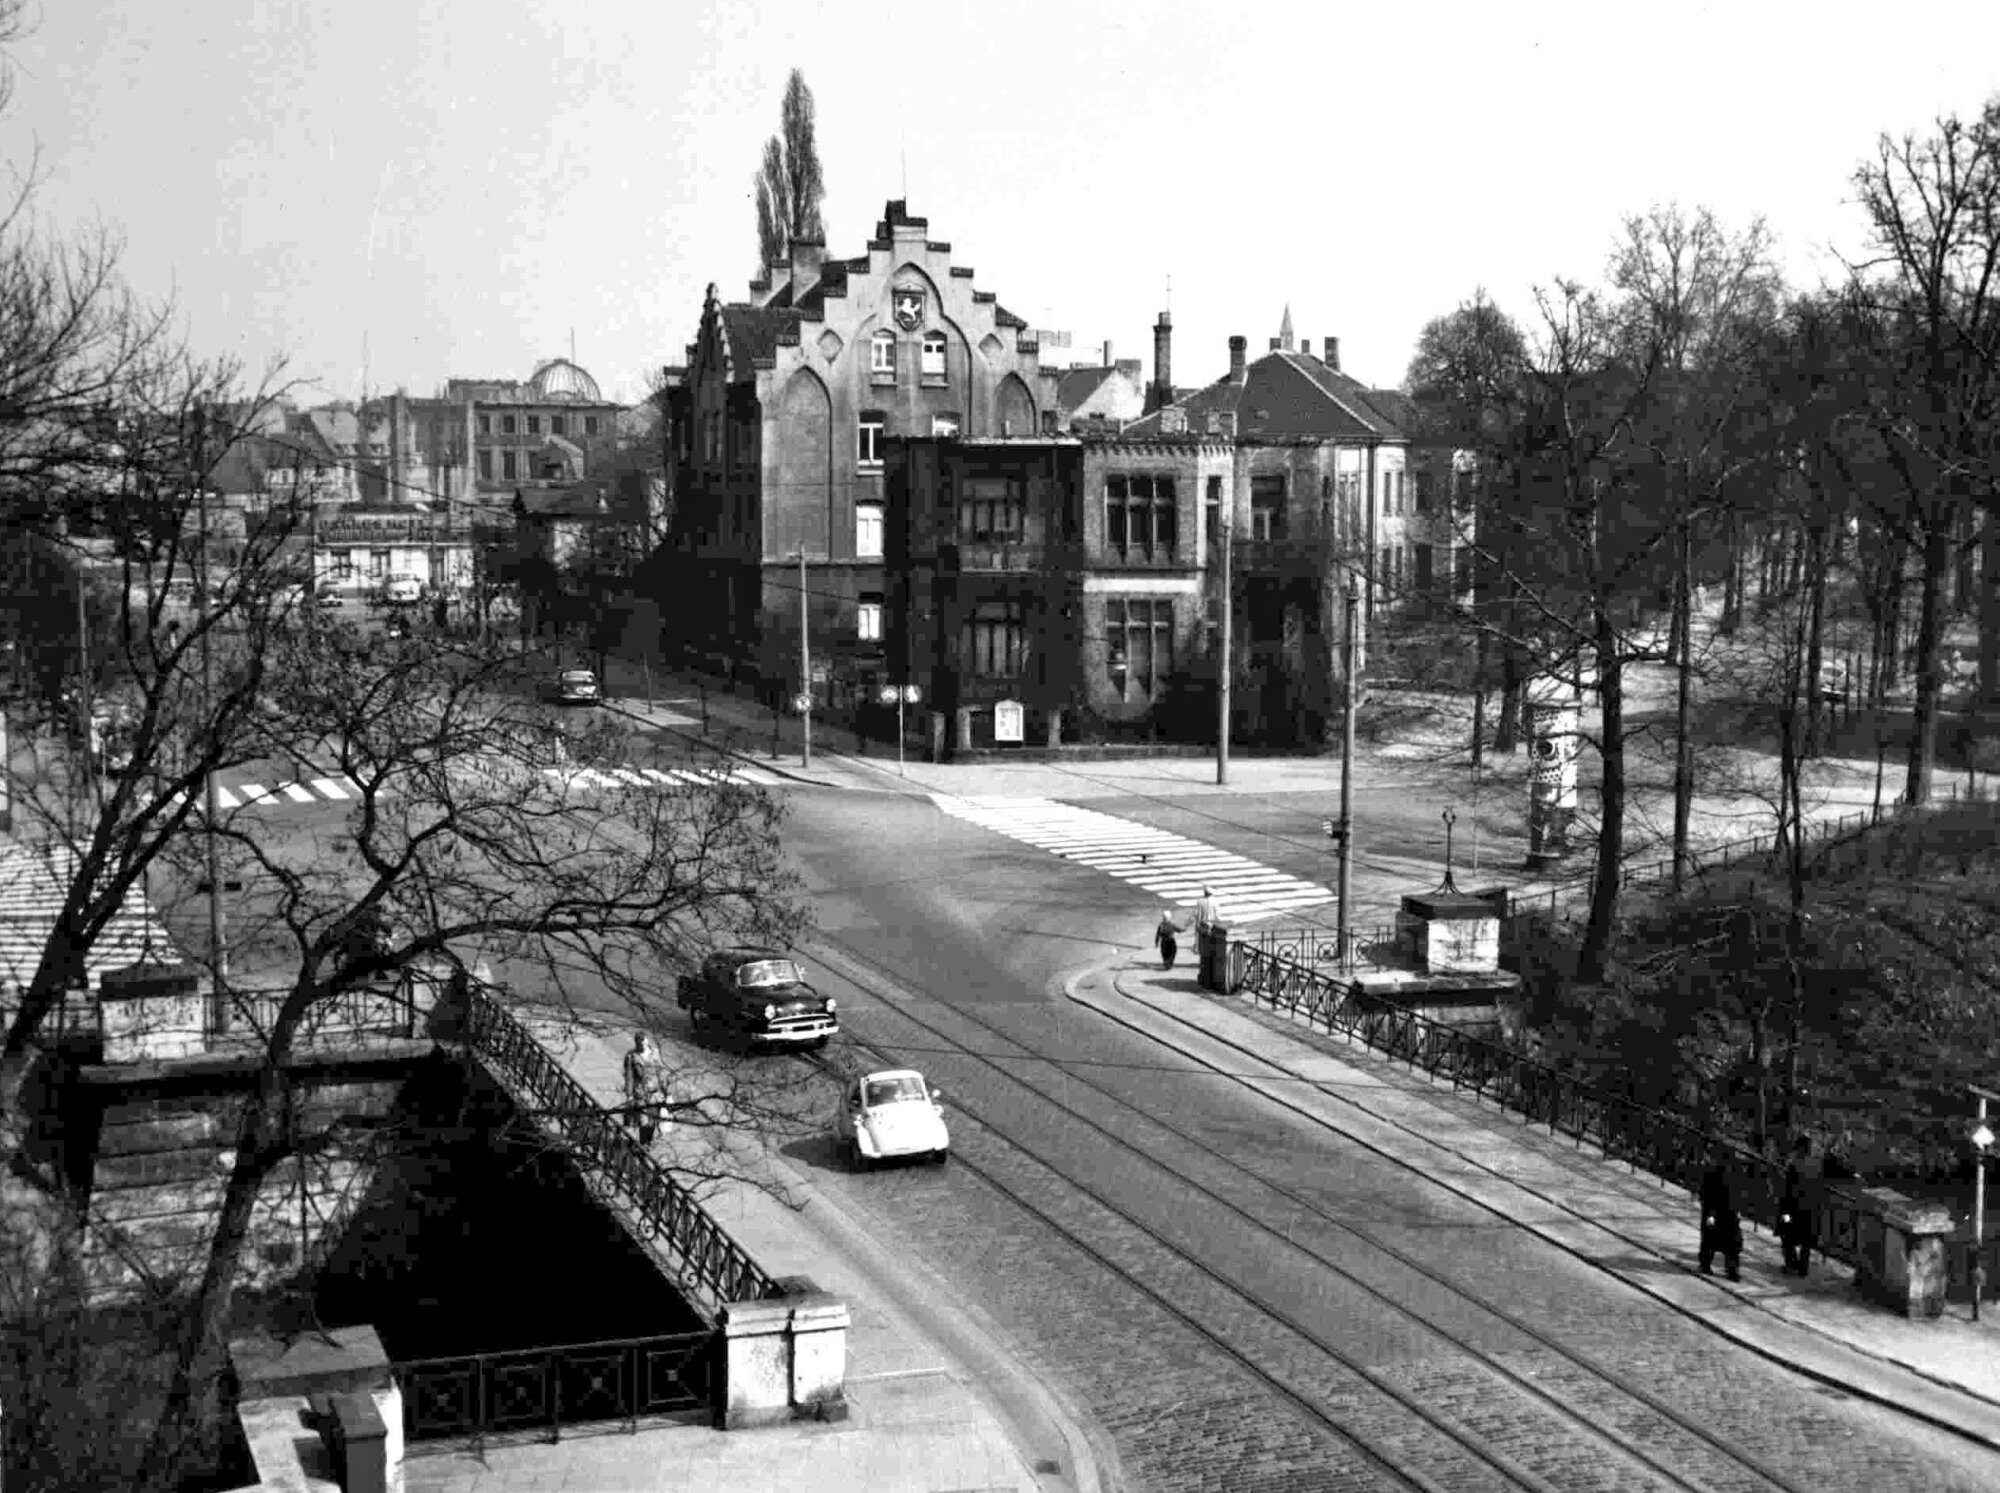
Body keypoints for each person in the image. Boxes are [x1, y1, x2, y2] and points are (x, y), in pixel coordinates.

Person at [1699, 1152, 1744, 1281]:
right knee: (1710, 1241)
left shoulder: (1734, 1174)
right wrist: (1710, 1214)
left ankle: (1732, 1271)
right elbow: (1707, 1195)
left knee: (1732, 1244)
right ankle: (1706, 1264)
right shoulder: (1713, 1173)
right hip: (1717, 1212)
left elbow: (1737, 1194)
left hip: (1729, 1213)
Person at [1779, 1136, 1817, 1277]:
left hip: (1794, 1208)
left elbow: (1788, 1189)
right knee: (1806, 1241)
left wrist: (1784, 1210)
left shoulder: (1794, 1165)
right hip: (1811, 1208)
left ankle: (1791, 1264)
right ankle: (1803, 1268)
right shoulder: (1816, 1165)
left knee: (1787, 1236)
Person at [623, 1031, 667, 1146]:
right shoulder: (631, 1056)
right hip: (640, 1094)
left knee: (652, 1120)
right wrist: (629, 1094)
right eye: (640, 1043)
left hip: (655, 1093)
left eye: (644, 1042)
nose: (643, 1045)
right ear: (636, 1044)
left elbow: (661, 1071)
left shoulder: (655, 1053)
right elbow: (629, 1076)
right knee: (643, 1121)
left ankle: (649, 1141)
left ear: (647, 1040)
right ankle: (643, 1144)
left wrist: (666, 1089)